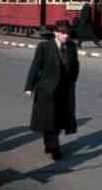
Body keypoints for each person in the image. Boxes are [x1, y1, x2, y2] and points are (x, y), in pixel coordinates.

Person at [24, 20, 80, 161]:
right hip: (47, 89)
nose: (66, 35)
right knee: (50, 119)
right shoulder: (44, 47)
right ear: (55, 33)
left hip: (65, 90)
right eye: (63, 33)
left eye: (67, 32)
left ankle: (49, 143)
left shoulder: (72, 46)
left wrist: (72, 81)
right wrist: (29, 87)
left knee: (60, 119)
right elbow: (35, 67)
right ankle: (54, 147)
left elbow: (76, 65)